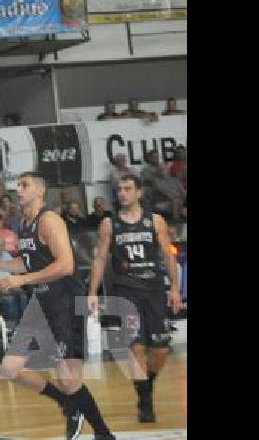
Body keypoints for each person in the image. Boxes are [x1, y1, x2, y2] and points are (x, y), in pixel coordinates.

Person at [0, 172, 115, 440]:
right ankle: (67, 404)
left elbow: (65, 265)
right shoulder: (23, 223)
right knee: (10, 368)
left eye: (24, 185)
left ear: (40, 191)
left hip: (65, 301)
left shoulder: (50, 220)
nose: (18, 190)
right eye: (17, 185)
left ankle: (103, 434)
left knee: (68, 379)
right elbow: (28, 262)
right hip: (41, 302)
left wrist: (21, 280)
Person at [87, 174, 182, 424]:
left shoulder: (155, 221)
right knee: (136, 347)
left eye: (128, 189)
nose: (122, 193)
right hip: (126, 292)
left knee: (160, 350)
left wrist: (174, 289)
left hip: (154, 291)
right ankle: (145, 401)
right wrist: (92, 292)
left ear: (139, 193)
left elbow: (168, 257)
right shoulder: (110, 224)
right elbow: (99, 259)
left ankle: (146, 384)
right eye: (119, 190)